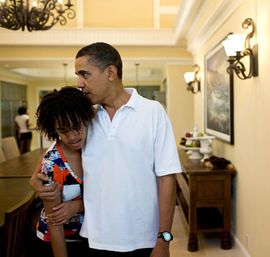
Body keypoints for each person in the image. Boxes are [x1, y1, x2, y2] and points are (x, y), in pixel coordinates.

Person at [31, 42, 181, 257]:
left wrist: (164, 239)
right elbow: (53, 156)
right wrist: (34, 180)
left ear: (110, 72)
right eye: (77, 75)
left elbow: (167, 178)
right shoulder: (84, 119)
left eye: (85, 74)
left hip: (144, 237)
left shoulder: (153, 112)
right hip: (94, 238)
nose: (79, 83)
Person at [33, 86, 94, 257]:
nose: (73, 136)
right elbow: (55, 224)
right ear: (54, 129)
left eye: (76, 127)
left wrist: (80, 205)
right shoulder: (53, 164)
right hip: (60, 243)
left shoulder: (96, 147)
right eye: (63, 131)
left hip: (92, 237)